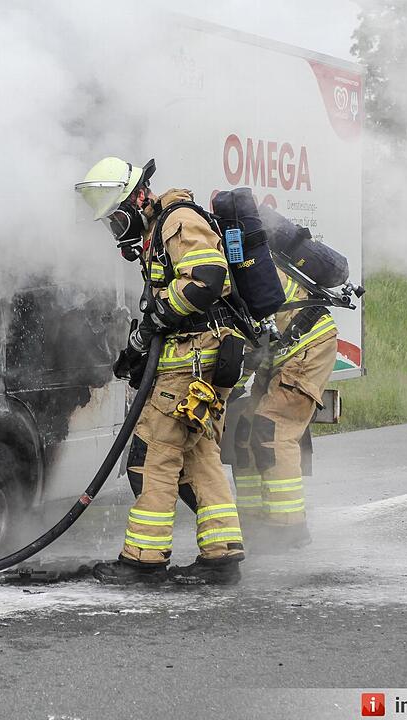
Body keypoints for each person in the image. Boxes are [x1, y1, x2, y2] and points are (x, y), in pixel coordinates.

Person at [75, 157, 246, 585]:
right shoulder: (160, 231)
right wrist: (138, 345)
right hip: (198, 361)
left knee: (154, 455)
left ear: (138, 199)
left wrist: (157, 318)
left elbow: (206, 279)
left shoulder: (177, 220)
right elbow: (166, 305)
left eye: (118, 217)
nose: (117, 229)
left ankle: (143, 561)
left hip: (191, 365)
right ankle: (222, 555)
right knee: (200, 456)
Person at [231, 266, 337, 548]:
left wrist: (224, 390)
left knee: (272, 429)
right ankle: (253, 520)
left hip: (308, 345)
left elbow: (238, 350)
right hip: (278, 353)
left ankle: (289, 526)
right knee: (246, 430)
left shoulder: (222, 276)